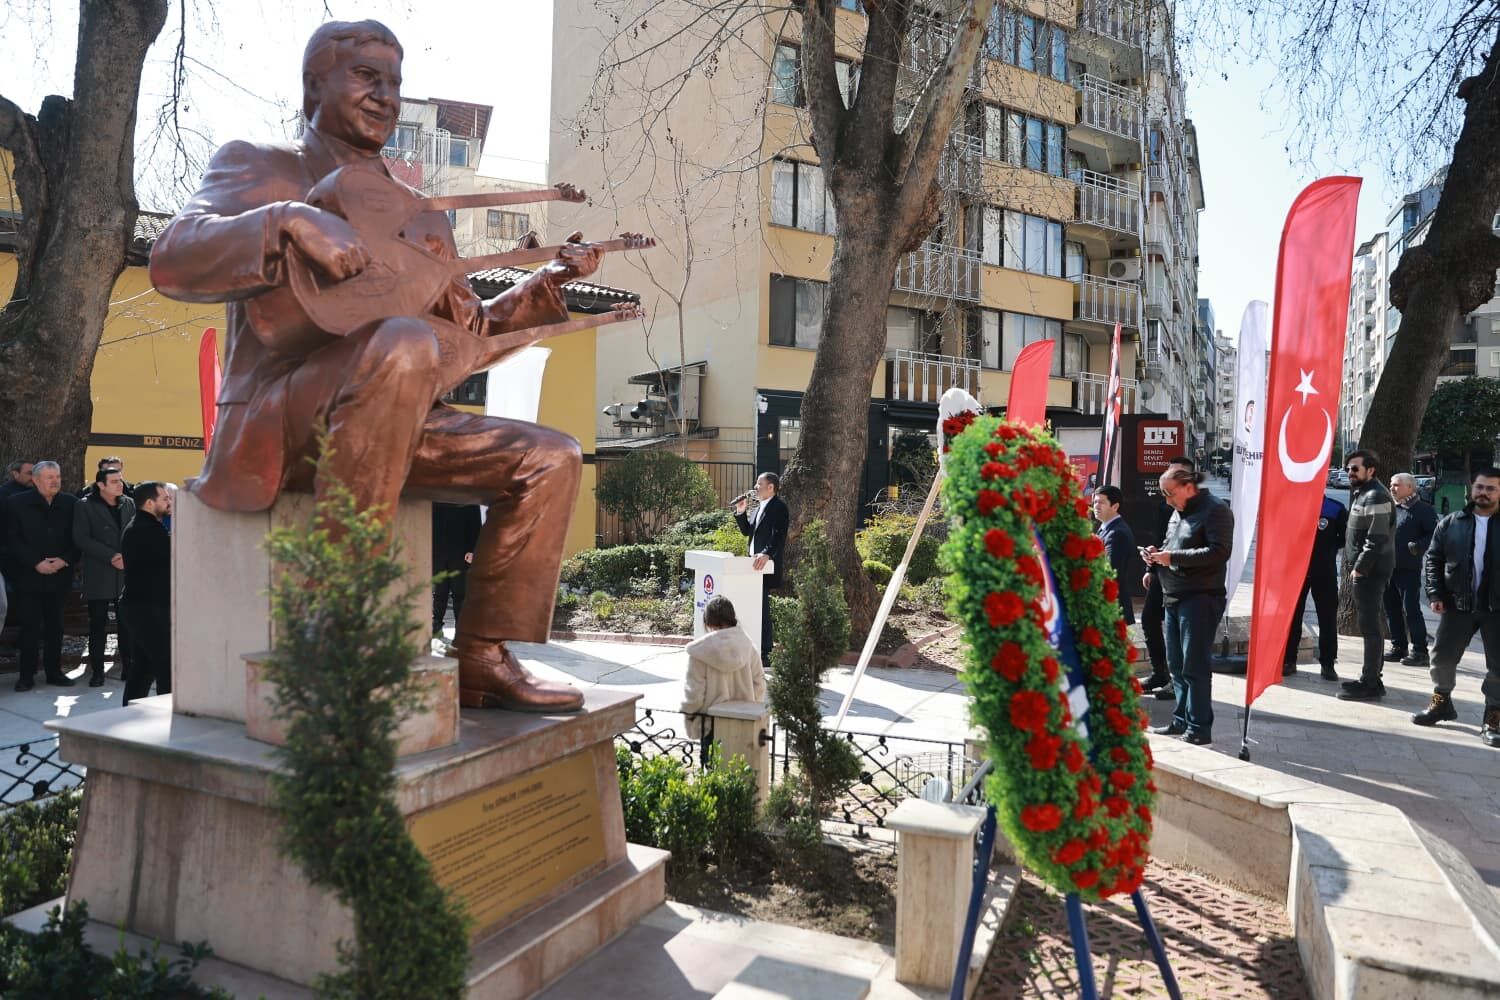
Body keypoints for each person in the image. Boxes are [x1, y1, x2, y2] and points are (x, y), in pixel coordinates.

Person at [148, 19, 622, 712]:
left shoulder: (418, 213)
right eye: (368, 76)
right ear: (316, 84)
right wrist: (287, 221)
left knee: (551, 455)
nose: (386, 96)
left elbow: (468, 336)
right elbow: (174, 256)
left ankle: (484, 655)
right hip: (285, 419)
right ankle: (338, 614)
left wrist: (549, 284)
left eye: (395, 83)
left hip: (395, 420)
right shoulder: (265, 163)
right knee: (403, 343)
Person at [1143, 467, 1233, 745]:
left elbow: (1219, 552)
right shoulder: (1177, 511)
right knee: (1177, 665)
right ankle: (1180, 719)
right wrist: (1155, 559)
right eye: (1163, 494)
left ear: (1188, 486)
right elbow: (1171, 545)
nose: (1167, 500)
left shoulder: (1216, 510)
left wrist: (1174, 558)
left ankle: (1199, 727)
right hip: (1174, 596)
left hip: (1201, 597)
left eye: (1170, 493)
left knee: (1194, 665)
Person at [1412, 468, 1500, 745]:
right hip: (1457, 604)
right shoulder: (1451, 522)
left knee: (1499, 668)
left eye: (1491, 489)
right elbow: (1434, 559)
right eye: (1480, 487)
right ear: (1471, 489)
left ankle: (1493, 720)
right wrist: (1436, 593)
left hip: (1497, 609)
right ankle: (1441, 704)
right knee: (1441, 659)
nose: (1484, 493)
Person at [3, 461, 79, 690]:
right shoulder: (16, 503)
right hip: (28, 576)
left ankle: (54, 672)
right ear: (35, 480)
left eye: (57, 476)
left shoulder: (70, 503)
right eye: (49, 477)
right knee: (29, 628)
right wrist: (36, 562)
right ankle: (26, 675)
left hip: (59, 575)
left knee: (56, 627)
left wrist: (65, 560)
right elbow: (11, 539)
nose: (55, 481)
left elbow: (79, 537)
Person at [1338, 450, 1397, 701]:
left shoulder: (1375, 495)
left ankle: (1371, 684)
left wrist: (1360, 568)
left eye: (1355, 468)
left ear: (1370, 470)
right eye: (1348, 469)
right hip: (1367, 570)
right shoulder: (1364, 493)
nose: (1349, 473)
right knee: (1369, 625)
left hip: (1370, 572)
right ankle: (1371, 678)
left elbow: (1376, 538)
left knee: (1371, 627)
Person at [1140, 456, 1196, 698]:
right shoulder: (1166, 506)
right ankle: (1159, 672)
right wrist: (1151, 566)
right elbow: (1162, 538)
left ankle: (1179, 681)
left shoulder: (1206, 508)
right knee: (1149, 619)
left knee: (1181, 631)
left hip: (1189, 580)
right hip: (1163, 574)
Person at [73, 468, 135, 687]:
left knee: (126, 624)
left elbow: (132, 532)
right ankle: (97, 671)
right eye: (114, 481)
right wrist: (111, 556)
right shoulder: (84, 505)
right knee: (98, 625)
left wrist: (127, 555)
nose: (120, 485)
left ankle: (129, 668)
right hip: (100, 572)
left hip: (125, 572)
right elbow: (81, 538)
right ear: (101, 485)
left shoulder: (128, 503)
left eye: (120, 480)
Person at [680, 596, 766, 740]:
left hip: (710, 725)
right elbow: (760, 684)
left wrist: (690, 719)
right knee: (741, 763)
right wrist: (749, 707)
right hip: (744, 722)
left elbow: (694, 693)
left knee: (713, 761)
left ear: (707, 621)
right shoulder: (748, 647)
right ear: (733, 617)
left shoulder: (700, 651)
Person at [1284, 494, 1348, 681]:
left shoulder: (1334, 508)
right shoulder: (1292, 504)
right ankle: (1289, 660)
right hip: (1296, 570)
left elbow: (1345, 537)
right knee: (1293, 616)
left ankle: (1328, 663)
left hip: (1324, 570)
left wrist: (1327, 549)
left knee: (1327, 617)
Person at [121, 482, 173, 705]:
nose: (169, 502)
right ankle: (168, 717)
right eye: (165, 499)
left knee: (143, 667)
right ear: (150, 503)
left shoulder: (147, 526)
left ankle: (128, 713)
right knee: (166, 667)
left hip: (143, 607)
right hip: (147, 610)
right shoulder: (146, 530)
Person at [734, 472, 789, 669]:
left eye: (759, 483)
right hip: (752, 567)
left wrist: (766, 554)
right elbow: (748, 532)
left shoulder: (779, 508)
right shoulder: (758, 507)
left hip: (764, 567)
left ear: (771, 487)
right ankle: (755, 649)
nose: (755, 487)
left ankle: (766, 654)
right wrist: (741, 513)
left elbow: (779, 535)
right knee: (754, 610)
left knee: (762, 611)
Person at [1384, 472, 1438, 668]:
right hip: (1389, 567)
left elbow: (1434, 535)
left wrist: (1417, 547)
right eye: (1391, 484)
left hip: (1409, 568)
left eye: (1397, 485)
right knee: (1391, 609)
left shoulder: (1423, 510)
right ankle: (1399, 646)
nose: (1392, 488)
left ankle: (1420, 651)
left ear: (1410, 488)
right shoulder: (1392, 508)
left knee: (1411, 610)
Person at [432, 502, 481, 637]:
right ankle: (435, 625)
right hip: (438, 550)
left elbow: (476, 523)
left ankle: (461, 630)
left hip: (462, 552)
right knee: (440, 591)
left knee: (460, 592)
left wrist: (473, 549)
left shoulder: (469, 498)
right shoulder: (437, 498)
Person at [1092, 484, 1137, 625]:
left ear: (1115, 506)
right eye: (1095, 502)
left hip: (1113, 607)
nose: (1096, 506)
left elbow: (1111, 572)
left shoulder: (1116, 533)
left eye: (1102, 503)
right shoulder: (1105, 528)